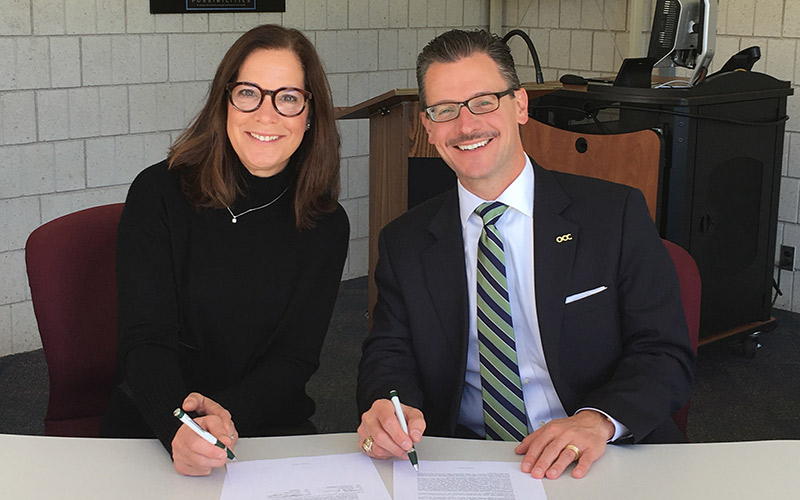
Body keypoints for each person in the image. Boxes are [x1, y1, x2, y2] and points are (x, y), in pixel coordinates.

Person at [356, 29, 694, 480]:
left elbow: (664, 352)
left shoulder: (613, 215)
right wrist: (388, 402)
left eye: (483, 101)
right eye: (445, 111)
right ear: (428, 128)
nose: (466, 125)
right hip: (465, 460)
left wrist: (598, 421)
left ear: (520, 106)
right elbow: (389, 353)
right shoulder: (405, 240)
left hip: (597, 455)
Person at [100, 25, 349, 476]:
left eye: (288, 97)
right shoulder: (159, 192)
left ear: (310, 114)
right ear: (224, 101)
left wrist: (224, 419)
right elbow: (146, 339)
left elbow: (296, 359)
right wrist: (181, 426)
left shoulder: (326, 223)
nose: (267, 114)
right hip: (154, 424)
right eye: (249, 93)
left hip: (263, 427)